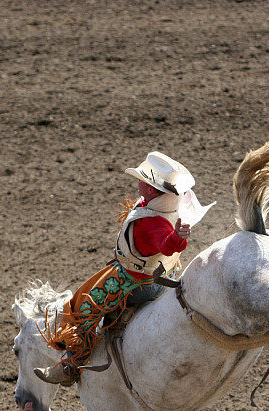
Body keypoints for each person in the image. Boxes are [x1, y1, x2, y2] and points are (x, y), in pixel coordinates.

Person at [34, 151, 214, 386]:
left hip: (137, 282)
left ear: (150, 189)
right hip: (162, 274)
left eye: (142, 179)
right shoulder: (165, 209)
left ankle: (71, 365)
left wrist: (177, 239)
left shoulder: (152, 222)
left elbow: (166, 243)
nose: (138, 182)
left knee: (85, 307)